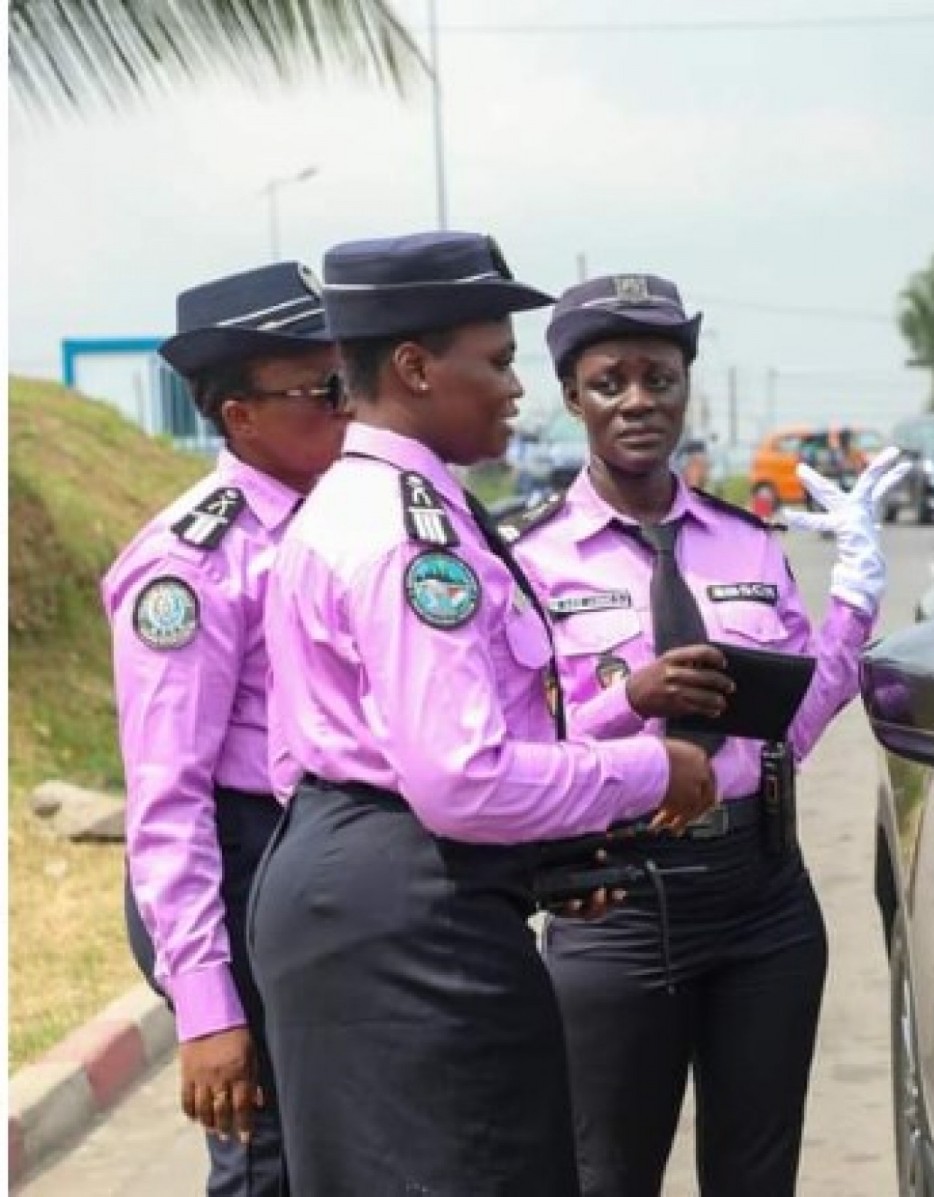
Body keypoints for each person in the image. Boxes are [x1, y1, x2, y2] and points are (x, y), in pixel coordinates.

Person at [245, 234, 719, 1196]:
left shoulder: (365, 501)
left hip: (362, 881)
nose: (516, 388)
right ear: (415, 368)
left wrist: (526, 857)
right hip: (413, 923)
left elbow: (352, 751)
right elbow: (461, 775)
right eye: (497, 361)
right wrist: (653, 769)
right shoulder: (407, 536)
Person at [507, 272, 909, 1197]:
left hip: (761, 897)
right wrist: (630, 701)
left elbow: (794, 726)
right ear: (572, 396)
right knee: (606, 1175)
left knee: (756, 1177)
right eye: (610, 382)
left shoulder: (746, 540)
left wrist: (854, 601)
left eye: (661, 377)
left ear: (688, 385)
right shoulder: (526, 559)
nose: (639, 402)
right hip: (614, 902)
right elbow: (516, 748)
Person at [102, 260, 349, 1196]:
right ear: (241, 415)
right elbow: (168, 796)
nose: (347, 406)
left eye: (347, 380)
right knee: (268, 1161)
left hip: (317, 861)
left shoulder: (339, 519)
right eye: (323, 389)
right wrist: (208, 1009)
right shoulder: (193, 564)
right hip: (239, 867)